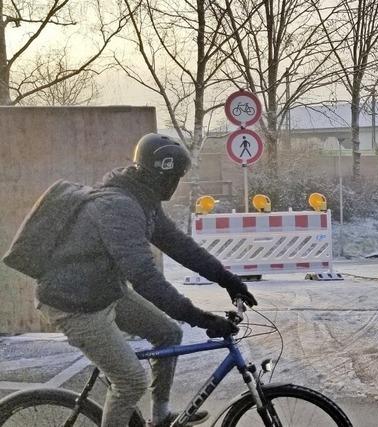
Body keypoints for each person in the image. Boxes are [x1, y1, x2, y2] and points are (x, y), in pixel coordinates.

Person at [35, 133, 257, 427]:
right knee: (130, 382)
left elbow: (179, 245)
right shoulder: (119, 207)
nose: (175, 185)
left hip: (100, 291)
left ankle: (160, 417)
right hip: (73, 303)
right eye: (173, 178)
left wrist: (226, 279)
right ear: (158, 175)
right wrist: (199, 317)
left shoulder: (143, 200)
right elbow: (145, 278)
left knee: (168, 334)